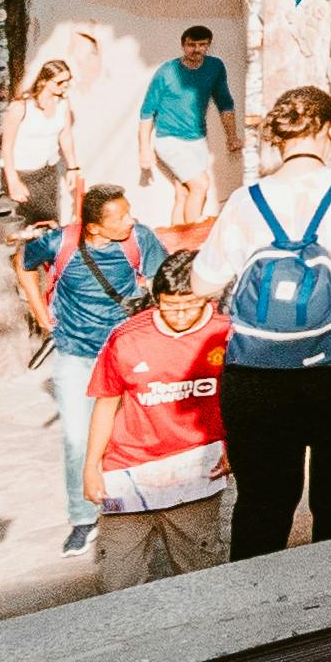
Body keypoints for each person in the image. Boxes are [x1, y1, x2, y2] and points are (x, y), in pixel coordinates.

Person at [206, 86, 331, 555]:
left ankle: (259, 618)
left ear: (278, 138)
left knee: (262, 502)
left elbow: (203, 281)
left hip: (260, 364)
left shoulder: (244, 199)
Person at [19, 177, 160, 555]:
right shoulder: (60, 242)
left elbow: (163, 285)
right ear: (94, 226)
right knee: (78, 440)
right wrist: (39, 310)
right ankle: (83, 519)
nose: (130, 220)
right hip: (77, 356)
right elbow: (24, 262)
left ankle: (140, 509)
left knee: (133, 435)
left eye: (129, 212)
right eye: (121, 217)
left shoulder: (139, 239)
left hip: (127, 356)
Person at [87, 251, 233, 588]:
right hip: (128, 470)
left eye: (189, 305)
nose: (179, 315)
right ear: (157, 300)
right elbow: (106, 403)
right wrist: (91, 465)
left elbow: (239, 399)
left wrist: (233, 446)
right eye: (169, 307)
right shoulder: (127, 338)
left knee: (200, 570)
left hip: (198, 470)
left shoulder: (226, 335)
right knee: (116, 578)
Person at [136, 23, 233, 242]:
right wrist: (144, 149)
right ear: (183, 45)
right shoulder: (167, 72)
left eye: (202, 45)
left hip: (197, 138)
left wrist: (232, 136)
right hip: (169, 140)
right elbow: (147, 112)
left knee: (183, 192)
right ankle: (193, 242)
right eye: (192, 45)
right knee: (200, 185)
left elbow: (225, 103)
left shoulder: (215, 67)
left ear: (208, 46)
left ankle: (176, 246)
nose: (197, 50)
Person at [0, 50, 82, 231]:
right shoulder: (21, 107)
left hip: (47, 171)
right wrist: (12, 180)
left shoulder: (63, 105)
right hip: (22, 173)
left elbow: (65, 136)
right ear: (44, 81)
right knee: (26, 227)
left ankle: (48, 257)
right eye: (60, 82)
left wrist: (73, 168)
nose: (65, 86)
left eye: (68, 81)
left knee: (50, 223)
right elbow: (7, 146)